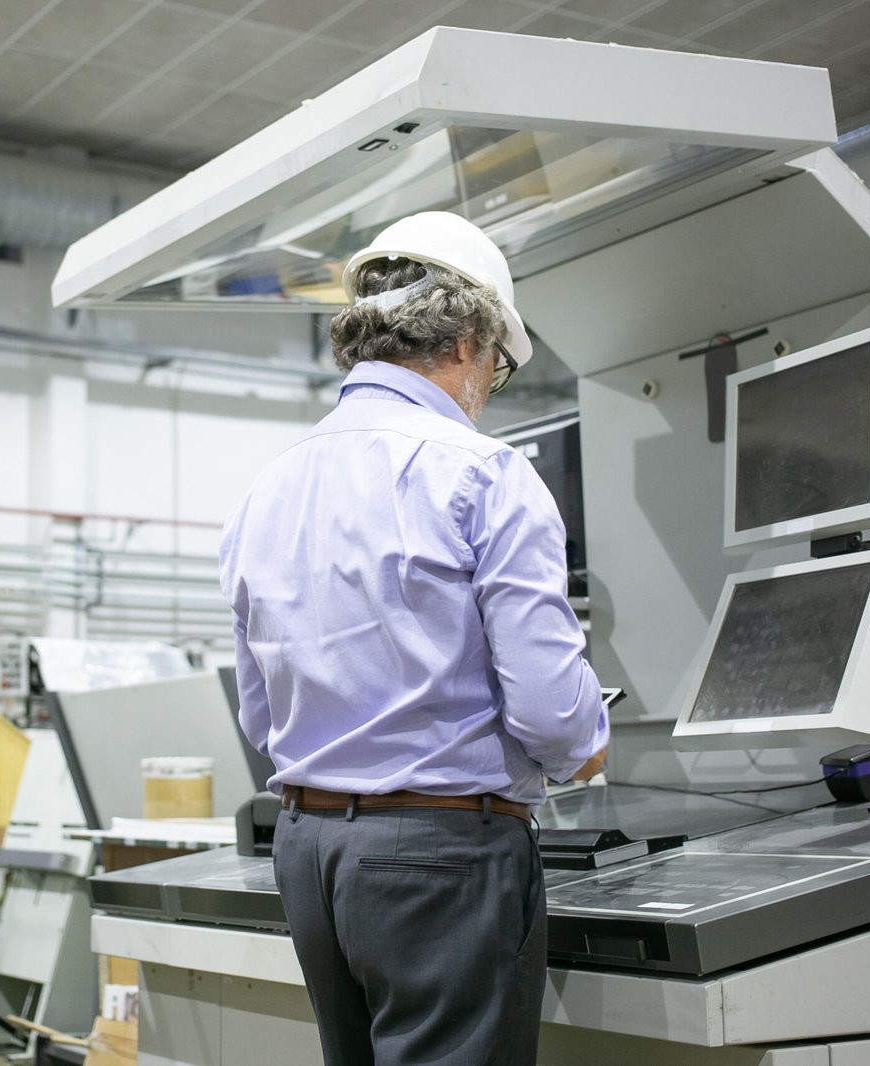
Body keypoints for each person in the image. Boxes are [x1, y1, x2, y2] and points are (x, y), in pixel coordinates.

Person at [218, 211, 609, 1066]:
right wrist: (587, 748)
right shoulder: (484, 475)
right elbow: (551, 713)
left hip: (309, 850)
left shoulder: (266, 488)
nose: (487, 388)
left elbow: (259, 711)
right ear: (470, 340)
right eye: (499, 369)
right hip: (442, 858)